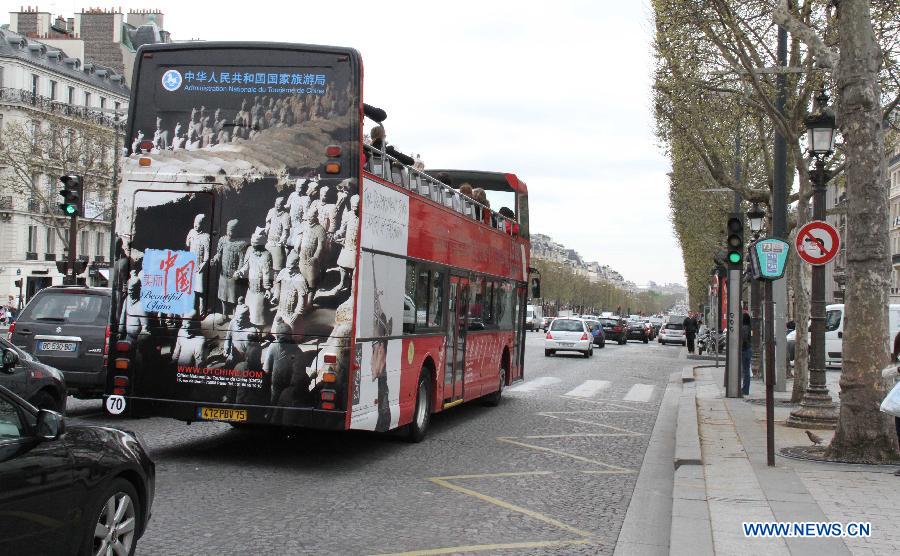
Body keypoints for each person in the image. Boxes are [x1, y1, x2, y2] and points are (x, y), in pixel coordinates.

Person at [741, 308, 752, 395]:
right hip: (748, 349)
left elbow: (744, 339)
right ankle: (745, 388)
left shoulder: (744, 328)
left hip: (745, 350)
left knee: (745, 370)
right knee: (746, 370)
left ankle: (745, 389)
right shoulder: (749, 327)